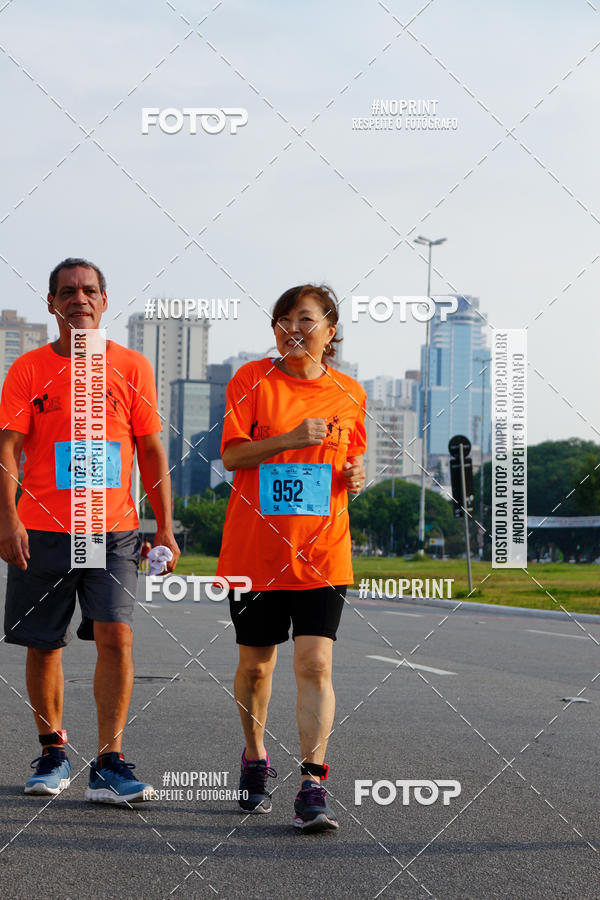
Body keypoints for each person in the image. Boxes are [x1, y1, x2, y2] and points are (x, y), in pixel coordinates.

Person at [0, 258, 180, 803]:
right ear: (51, 303)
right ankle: (52, 753)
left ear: (104, 301)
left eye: (89, 290)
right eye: (67, 292)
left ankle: (109, 763)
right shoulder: (28, 369)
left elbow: (151, 451)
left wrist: (165, 528)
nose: (79, 299)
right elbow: (7, 447)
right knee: (44, 644)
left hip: (114, 530)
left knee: (117, 636)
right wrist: (7, 517)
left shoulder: (132, 366)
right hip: (43, 529)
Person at [216, 283, 366, 832]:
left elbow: (350, 462)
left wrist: (355, 476)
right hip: (255, 554)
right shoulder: (251, 380)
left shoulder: (350, 392)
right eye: (282, 320)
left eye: (304, 319)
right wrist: (289, 438)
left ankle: (312, 784)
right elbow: (233, 455)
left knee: (315, 663)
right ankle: (255, 758)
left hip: (323, 552)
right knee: (257, 666)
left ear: (330, 331)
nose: (292, 329)